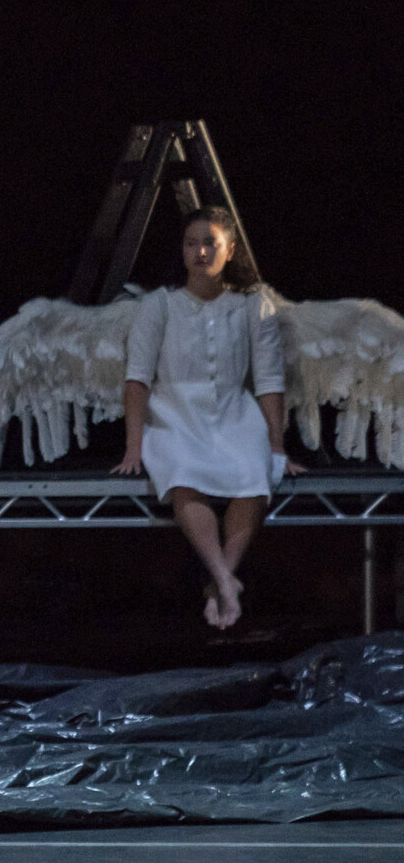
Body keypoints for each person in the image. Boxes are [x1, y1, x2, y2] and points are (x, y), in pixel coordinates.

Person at [113, 208, 300, 629]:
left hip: (235, 412)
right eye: (191, 243)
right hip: (175, 413)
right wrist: (133, 444)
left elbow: (270, 381)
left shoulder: (253, 306)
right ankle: (222, 579)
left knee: (255, 475)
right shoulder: (158, 305)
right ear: (182, 250)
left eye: (210, 243)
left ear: (229, 250)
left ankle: (222, 578)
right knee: (183, 473)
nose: (200, 251)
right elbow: (137, 379)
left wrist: (275, 445)